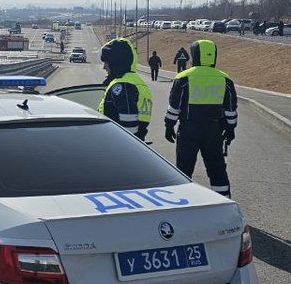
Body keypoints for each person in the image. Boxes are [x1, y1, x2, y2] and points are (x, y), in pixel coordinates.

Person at [164, 39, 238, 197]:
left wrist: (169, 125)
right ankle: (223, 200)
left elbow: (174, 106)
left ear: (194, 55)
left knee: (184, 169)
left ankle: (183, 201)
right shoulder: (225, 79)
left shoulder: (183, 77)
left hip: (188, 129)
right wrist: (231, 128)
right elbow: (231, 108)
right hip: (214, 130)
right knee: (217, 169)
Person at [98, 37, 153, 140]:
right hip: (136, 142)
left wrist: (125, 145)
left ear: (116, 62)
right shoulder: (137, 82)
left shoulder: (122, 85)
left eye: (106, 62)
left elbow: (129, 125)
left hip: (118, 143)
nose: (104, 67)